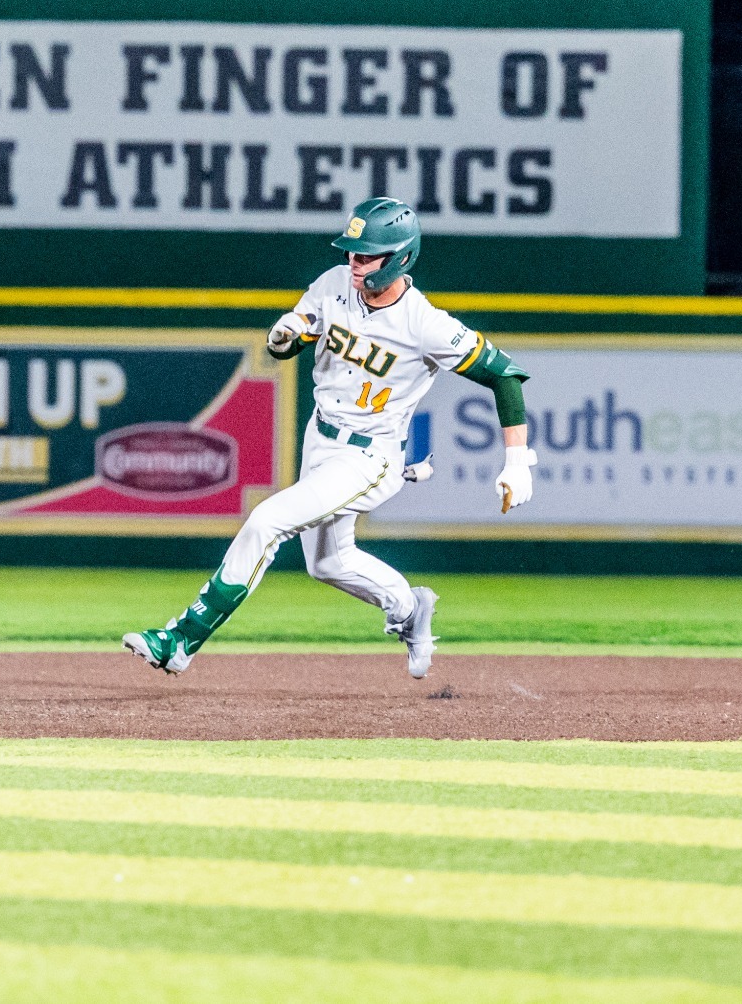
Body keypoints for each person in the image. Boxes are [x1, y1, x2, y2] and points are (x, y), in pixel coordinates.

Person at [123, 196, 536, 679]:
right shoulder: (334, 282)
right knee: (328, 563)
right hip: (320, 438)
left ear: (400, 257)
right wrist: (288, 334)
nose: (354, 263)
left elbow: (504, 374)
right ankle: (409, 608)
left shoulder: (425, 324)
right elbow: (299, 333)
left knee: (267, 521)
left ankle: (181, 640)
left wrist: (516, 461)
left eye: (366, 256)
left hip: (368, 456)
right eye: (352, 253)